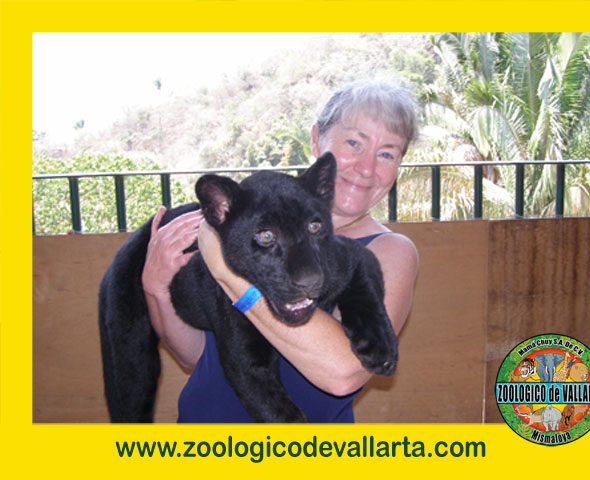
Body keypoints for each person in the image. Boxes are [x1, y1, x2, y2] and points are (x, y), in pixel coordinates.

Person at [141, 80, 420, 422]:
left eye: (387, 153)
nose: (366, 167)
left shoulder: (390, 251)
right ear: (316, 138)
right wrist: (155, 286)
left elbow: (343, 373)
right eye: (354, 143)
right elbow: (196, 355)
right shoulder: (250, 223)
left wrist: (224, 268)